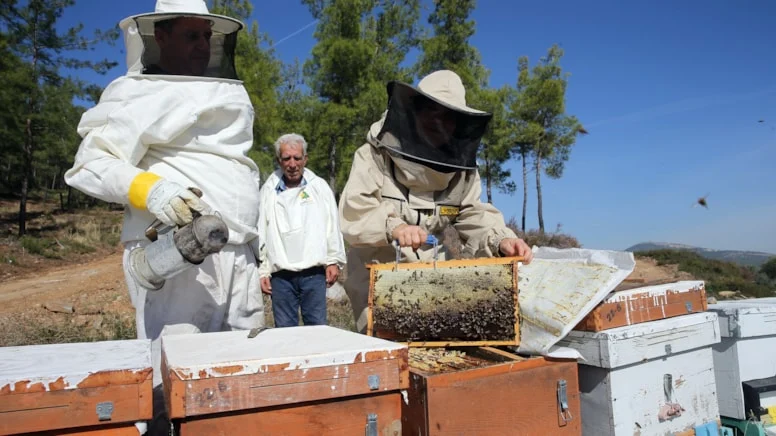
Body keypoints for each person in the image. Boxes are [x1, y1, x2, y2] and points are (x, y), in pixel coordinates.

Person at [64, 0, 262, 433]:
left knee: (246, 381)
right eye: (191, 35)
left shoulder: (227, 91)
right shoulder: (137, 93)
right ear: (161, 38)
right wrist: (152, 190)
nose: (202, 44)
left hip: (239, 255)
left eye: (207, 35)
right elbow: (90, 163)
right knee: (173, 381)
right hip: (181, 257)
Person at [338, 70, 534, 332]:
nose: (439, 120)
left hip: (432, 279)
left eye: (449, 116)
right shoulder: (375, 155)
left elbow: (473, 213)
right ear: (415, 112)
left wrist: (501, 240)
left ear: (458, 123)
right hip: (376, 277)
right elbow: (356, 210)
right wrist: (393, 227)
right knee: (387, 357)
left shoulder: (461, 170)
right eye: (432, 110)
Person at [258, 134, 346, 327]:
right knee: (285, 332)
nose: (292, 164)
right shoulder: (268, 191)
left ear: (305, 159)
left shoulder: (319, 187)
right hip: (281, 276)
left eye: (297, 158)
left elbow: (332, 225)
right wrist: (263, 271)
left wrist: (333, 261)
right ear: (279, 161)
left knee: (317, 330)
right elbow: (261, 232)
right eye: (286, 158)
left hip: (314, 273)